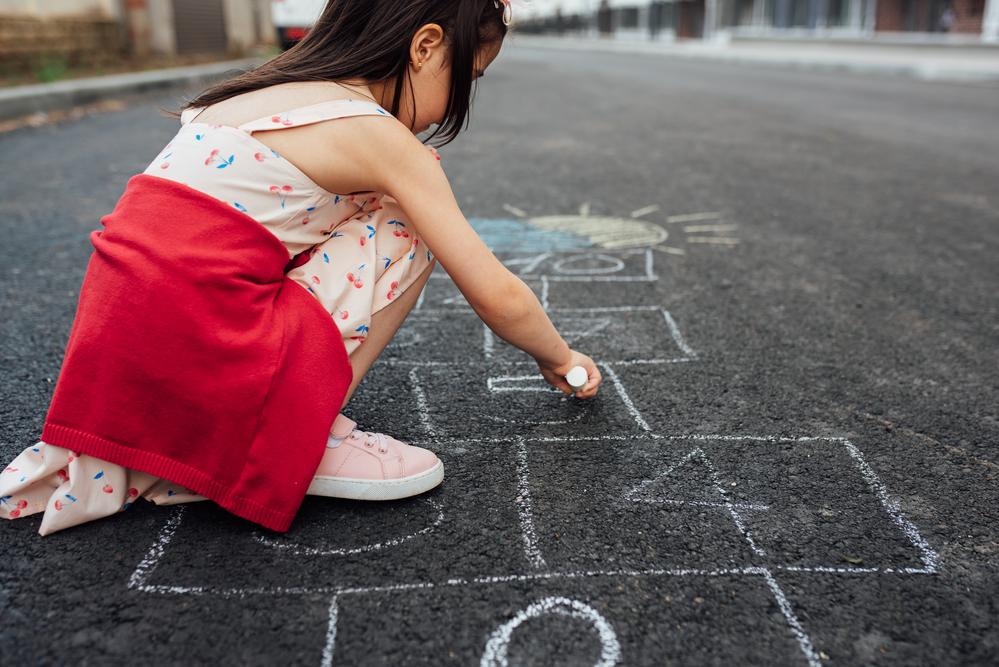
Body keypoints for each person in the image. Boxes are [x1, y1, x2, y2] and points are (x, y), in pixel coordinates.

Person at [0, 0, 602, 536]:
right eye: (466, 77)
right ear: (425, 47)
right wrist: (561, 358)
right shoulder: (378, 135)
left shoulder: (244, 97)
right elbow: (497, 295)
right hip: (202, 348)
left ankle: (211, 421)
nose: (459, 100)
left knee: (368, 202)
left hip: (120, 363)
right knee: (409, 223)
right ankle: (298, 437)